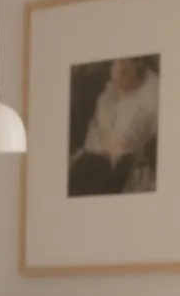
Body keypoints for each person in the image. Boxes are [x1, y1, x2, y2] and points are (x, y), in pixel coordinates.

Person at [68, 56, 160, 197]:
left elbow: (130, 141)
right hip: (97, 165)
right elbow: (94, 138)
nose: (116, 71)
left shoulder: (152, 92)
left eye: (123, 71)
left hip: (128, 171)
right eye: (115, 65)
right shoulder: (105, 98)